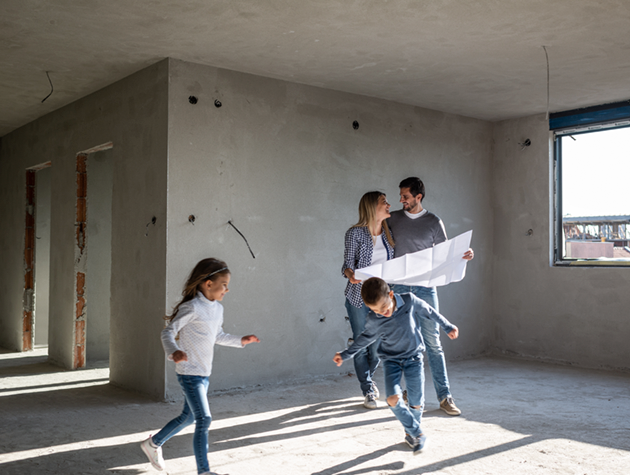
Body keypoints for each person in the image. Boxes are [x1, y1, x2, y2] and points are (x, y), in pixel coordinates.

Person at [140, 258, 260, 475]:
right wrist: (173, 351)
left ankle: (153, 444)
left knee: (188, 417)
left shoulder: (218, 309)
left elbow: (218, 335)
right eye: (224, 284)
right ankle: (204, 471)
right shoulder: (192, 307)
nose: (227, 289)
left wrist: (241, 340)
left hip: (204, 373)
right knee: (204, 418)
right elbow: (167, 331)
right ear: (208, 283)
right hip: (189, 374)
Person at [333, 277, 459, 454]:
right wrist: (344, 354)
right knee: (392, 399)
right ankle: (418, 434)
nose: (382, 313)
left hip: (414, 358)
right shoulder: (374, 318)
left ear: (391, 294)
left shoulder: (409, 300)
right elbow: (363, 340)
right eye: (375, 310)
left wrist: (447, 326)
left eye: (384, 308)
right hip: (391, 361)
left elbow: (429, 311)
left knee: (416, 402)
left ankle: (411, 434)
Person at [387, 177, 473, 416]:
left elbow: (446, 253)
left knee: (433, 342)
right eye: (401, 196)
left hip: (425, 287)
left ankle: (445, 396)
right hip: (398, 288)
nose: (401, 200)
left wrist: (463, 255)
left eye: (405, 196)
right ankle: (407, 391)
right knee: (403, 343)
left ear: (418, 197)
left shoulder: (433, 221)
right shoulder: (392, 219)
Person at [342, 191, 395, 409]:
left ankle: (369, 378)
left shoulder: (389, 233)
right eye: (384, 202)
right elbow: (346, 265)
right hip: (358, 296)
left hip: (382, 298)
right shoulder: (355, 233)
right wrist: (351, 275)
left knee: (377, 345)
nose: (389, 204)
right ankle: (368, 389)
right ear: (372, 207)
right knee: (361, 342)